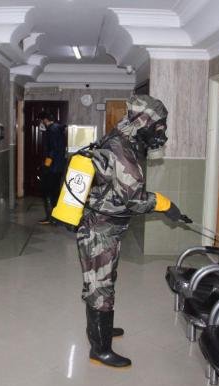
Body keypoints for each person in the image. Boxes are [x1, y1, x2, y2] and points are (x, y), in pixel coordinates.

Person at [77, 95, 187, 368]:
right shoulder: (121, 149)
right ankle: (100, 350)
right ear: (143, 121)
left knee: (103, 281)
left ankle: (101, 329)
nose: (161, 131)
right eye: (158, 125)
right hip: (100, 231)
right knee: (99, 287)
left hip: (106, 227)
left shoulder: (122, 136)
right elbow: (134, 199)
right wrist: (165, 205)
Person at [38, 112, 66, 224]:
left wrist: (46, 165)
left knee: (47, 192)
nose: (41, 123)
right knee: (55, 192)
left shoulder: (51, 130)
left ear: (45, 120)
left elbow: (52, 150)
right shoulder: (59, 129)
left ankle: (51, 218)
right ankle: (56, 218)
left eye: (41, 120)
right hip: (58, 167)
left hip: (52, 168)